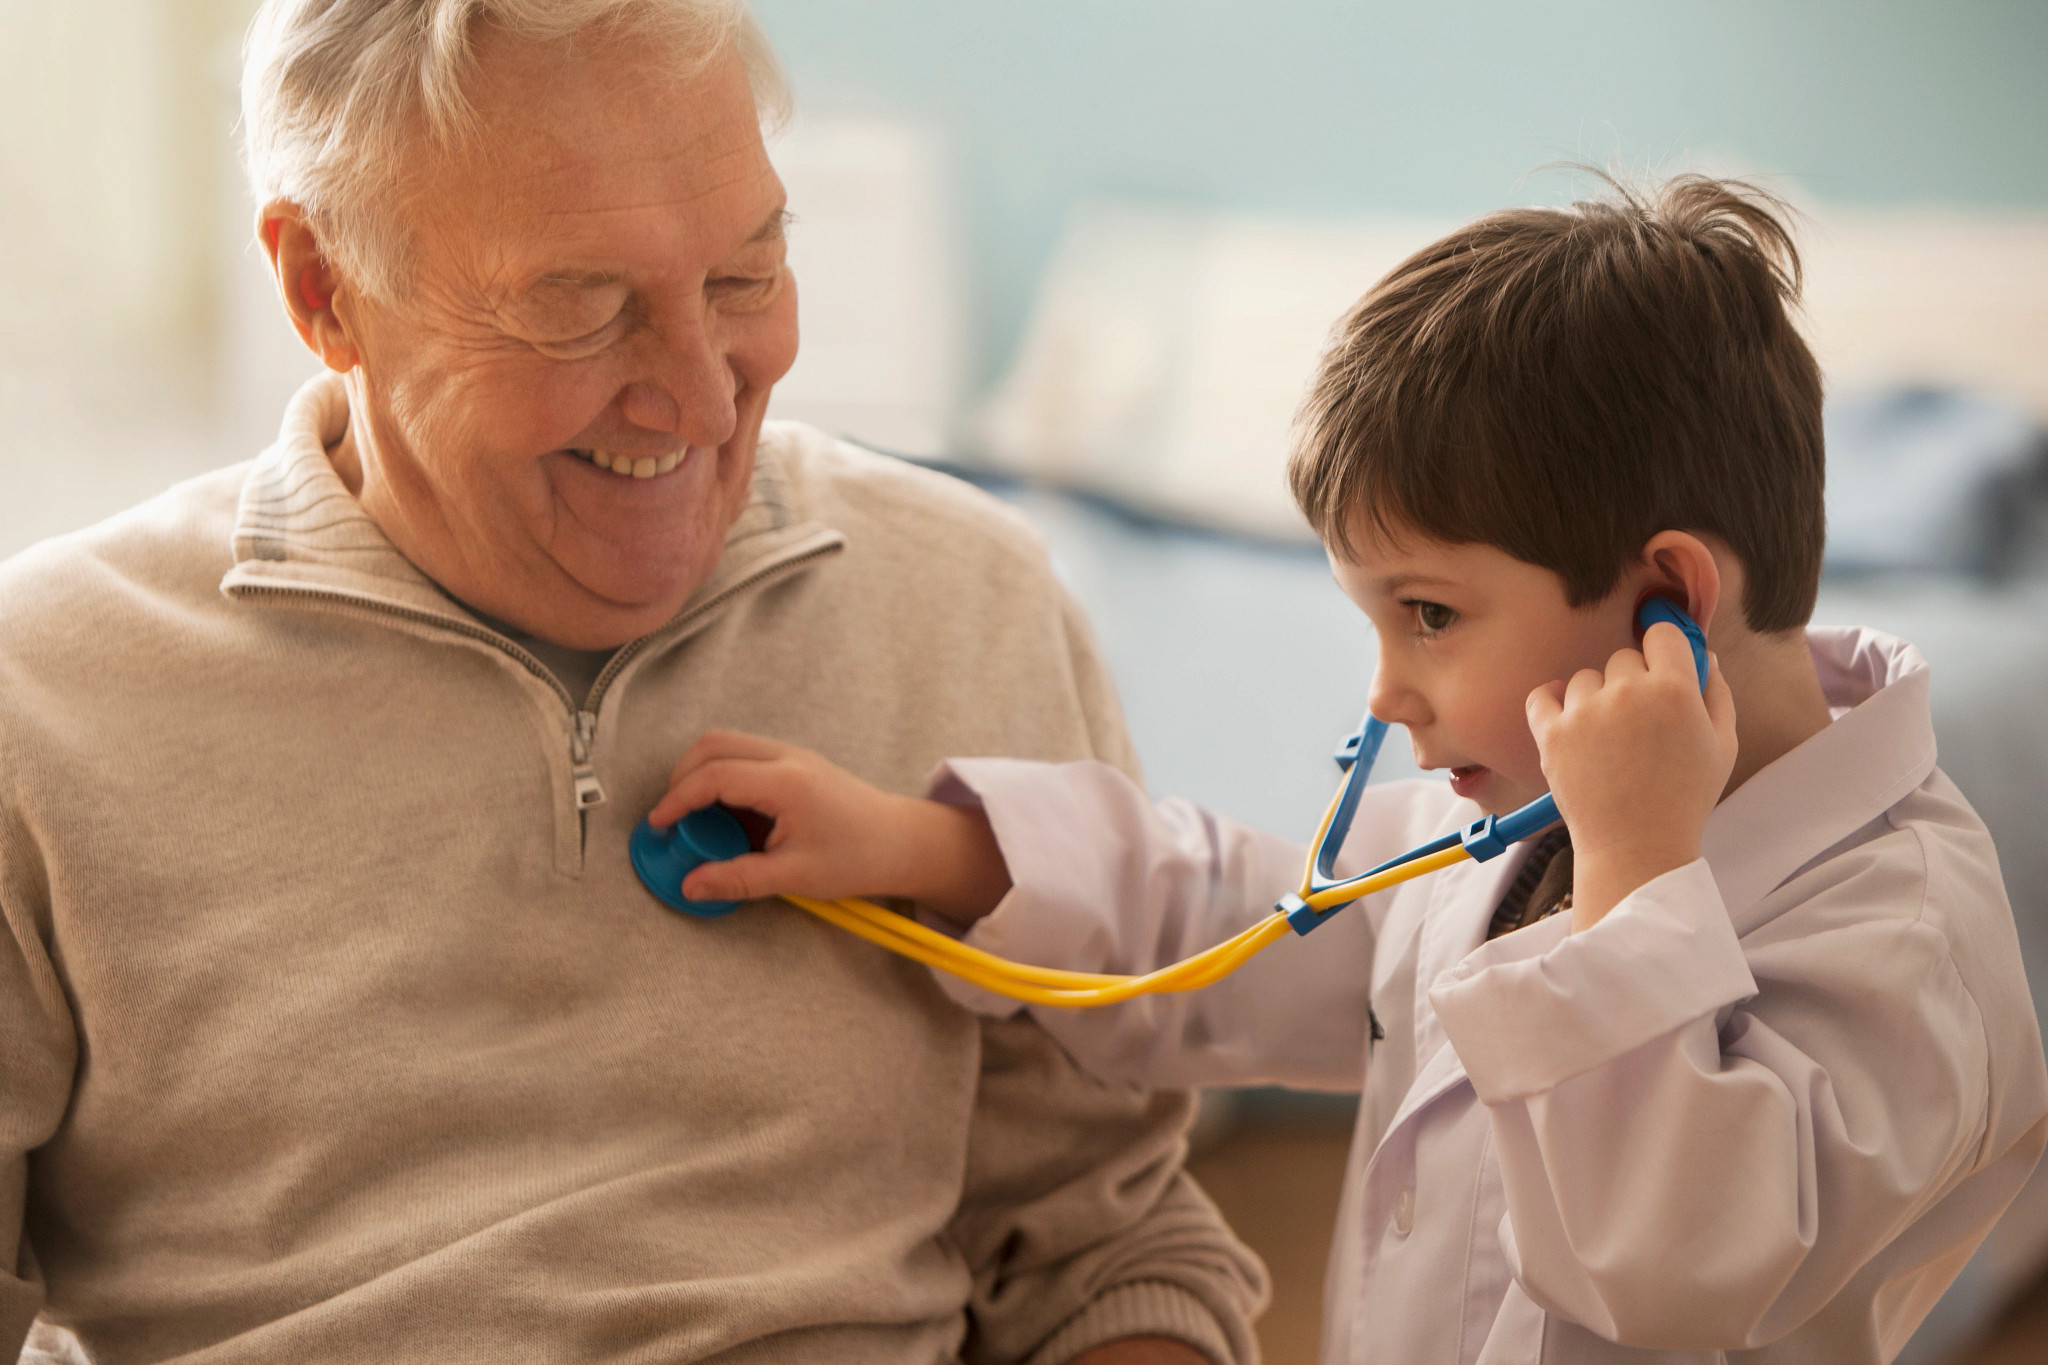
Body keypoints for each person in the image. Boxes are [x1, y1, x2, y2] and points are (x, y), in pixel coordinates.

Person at [0, 3, 1267, 1362]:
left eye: (744, 276)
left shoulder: (965, 600)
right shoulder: (48, 697)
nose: (703, 400)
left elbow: (1101, 1248)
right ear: (324, 289)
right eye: (581, 306)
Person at [652, 176, 2048, 1363]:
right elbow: (1256, 918)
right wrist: (922, 846)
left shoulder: (1905, 932)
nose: (1386, 691)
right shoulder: (1519, 830)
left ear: (1665, 603)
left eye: (1429, 614)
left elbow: (1677, 1263)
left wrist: (1638, 877)